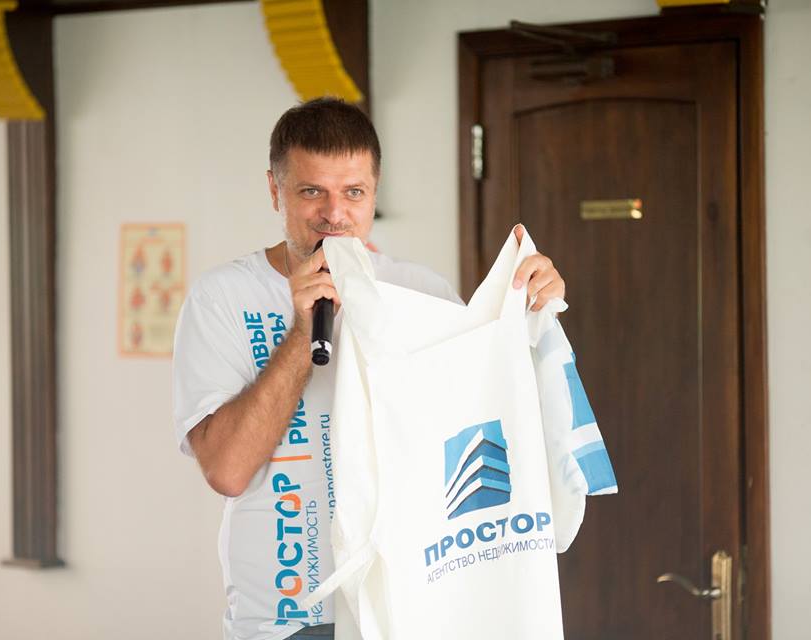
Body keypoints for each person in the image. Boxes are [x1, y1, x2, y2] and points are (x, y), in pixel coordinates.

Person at [172, 97, 566, 640]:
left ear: (374, 193)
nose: (334, 214)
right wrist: (301, 334)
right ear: (275, 191)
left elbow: (482, 415)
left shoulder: (421, 292)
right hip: (288, 618)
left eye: (353, 193)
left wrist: (531, 318)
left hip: (406, 606)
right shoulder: (222, 298)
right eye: (312, 191)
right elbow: (227, 471)